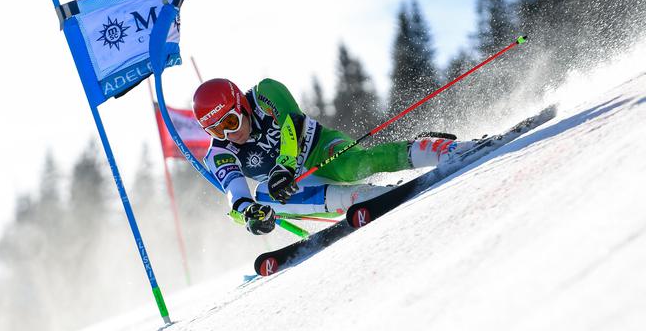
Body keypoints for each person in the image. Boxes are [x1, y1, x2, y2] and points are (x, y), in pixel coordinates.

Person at [192, 78, 475, 235]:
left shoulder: (264, 93)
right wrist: (249, 215)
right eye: (215, 129)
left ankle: (440, 150)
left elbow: (294, 122)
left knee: (353, 165)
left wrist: (285, 165)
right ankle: (365, 197)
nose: (229, 134)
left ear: (240, 104)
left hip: (319, 148)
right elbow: (236, 195)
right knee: (265, 196)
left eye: (230, 122)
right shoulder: (219, 151)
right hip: (298, 183)